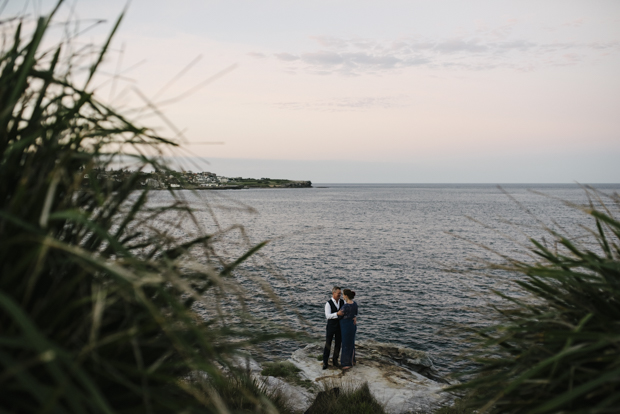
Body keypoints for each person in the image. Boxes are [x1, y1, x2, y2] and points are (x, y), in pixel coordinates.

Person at [322, 286, 344, 370]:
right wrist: (337, 314)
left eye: (340, 293)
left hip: (339, 327)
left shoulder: (342, 302)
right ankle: (325, 362)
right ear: (333, 293)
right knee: (328, 344)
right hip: (331, 327)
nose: (340, 295)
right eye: (338, 293)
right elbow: (327, 316)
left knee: (338, 344)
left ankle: (335, 361)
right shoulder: (328, 303)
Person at [337, 289, 358, 370]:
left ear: (346, 296)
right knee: (351, 343)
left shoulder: (345, 306)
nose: (342, 296)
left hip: (345, 325)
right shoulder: (354, 304)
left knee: (346, 344)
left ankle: (346, 363)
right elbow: (355, 313)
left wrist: (335, 314)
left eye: (343, 295)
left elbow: (339, 314)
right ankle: (352, 360)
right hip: (352, 325)